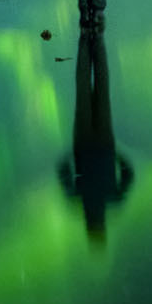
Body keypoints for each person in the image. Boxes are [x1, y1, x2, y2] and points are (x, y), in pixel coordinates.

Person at [57, 29, 132, 244]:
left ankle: (94, 37)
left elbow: (129, 174)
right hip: (84, 144)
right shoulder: (79, 199)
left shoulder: (112, 198)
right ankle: (87, 38)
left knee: (100, 86)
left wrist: (116, 155)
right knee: (85, 88)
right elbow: (62, 171)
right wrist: (73, 155)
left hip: (103, 144)